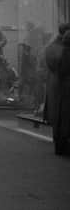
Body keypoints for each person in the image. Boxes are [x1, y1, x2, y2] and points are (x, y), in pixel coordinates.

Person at [44, 23, 70, 155]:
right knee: (63, 117)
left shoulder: (51, 47)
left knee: (58, 116)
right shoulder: (62, 48)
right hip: (62, 85)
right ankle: (62, 145)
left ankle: (59, 145)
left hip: (55, 85)